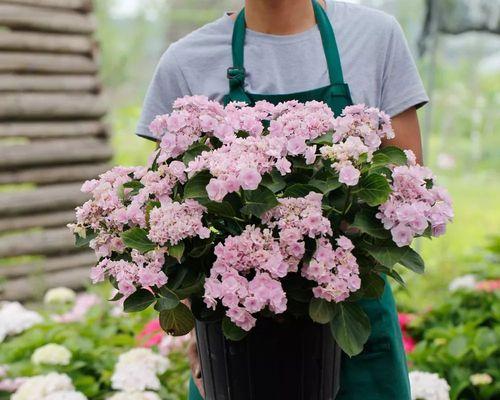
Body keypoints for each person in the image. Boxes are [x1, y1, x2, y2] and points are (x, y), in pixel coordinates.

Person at [136, 1, 428, 399]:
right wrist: (193, 321)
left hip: (351, 317)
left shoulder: (375, 37)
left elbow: (408, 193)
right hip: (236, 335)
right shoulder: (186, 61)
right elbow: (166, 211)